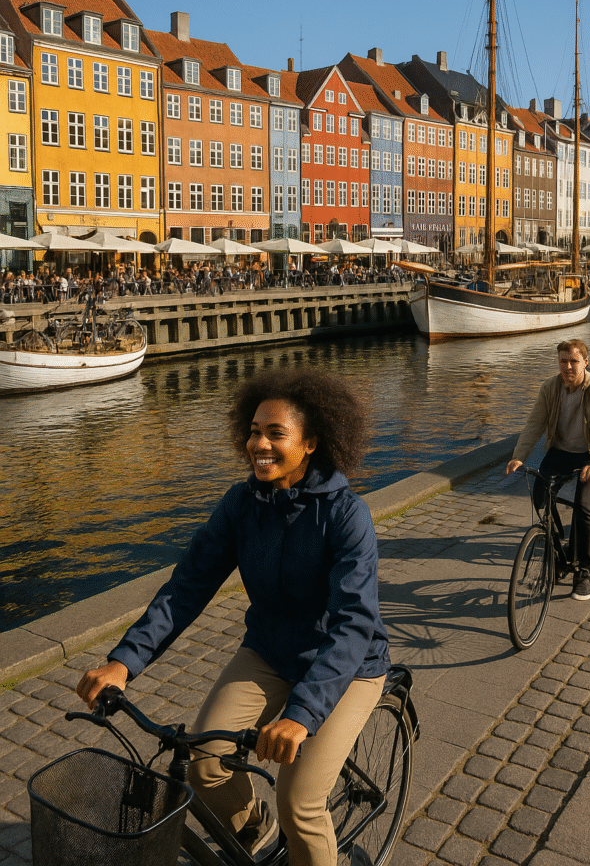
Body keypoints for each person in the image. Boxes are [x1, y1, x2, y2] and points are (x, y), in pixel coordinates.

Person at [76, 369, 389, 866]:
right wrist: (124, 662)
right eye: (254, 430)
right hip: (269, 649)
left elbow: (352, 622)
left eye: (275, 434)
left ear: (310, 443)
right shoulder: (242, 503)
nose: (258, 443)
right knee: (204, 765)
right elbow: (188, 585)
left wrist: (301, 716)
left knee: (299, 802)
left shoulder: (347, 515)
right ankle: (251, 833)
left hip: (346, 666)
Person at [506, 339, 590, 601]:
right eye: (563, 361)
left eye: (574, 361)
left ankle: (584, 570)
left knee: (584, 504)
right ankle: (558, 550)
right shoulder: (551, 387)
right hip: (561, 452)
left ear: (586, 362)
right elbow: (534, 423)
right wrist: (518, 457)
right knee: (540, 497)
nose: (568, 367)